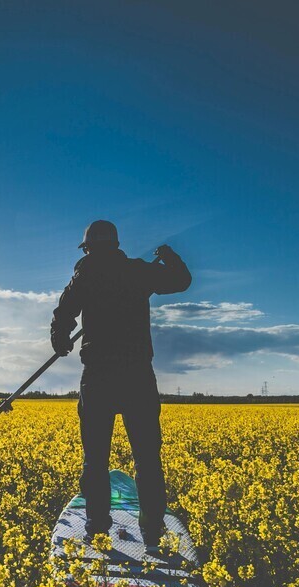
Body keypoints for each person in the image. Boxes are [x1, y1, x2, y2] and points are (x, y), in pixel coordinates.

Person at [50, 219, 191, 548]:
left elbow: (64, 312)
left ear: (88, 248)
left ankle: (97, 529)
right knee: (146, 458)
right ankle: (153, 531)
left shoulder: (84, 274)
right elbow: (181, 281)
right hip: (137, 376)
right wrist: (169, 256)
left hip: (98, 376)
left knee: (95, 460)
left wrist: (61, 340)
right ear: (114, 245)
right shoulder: (138, 271)